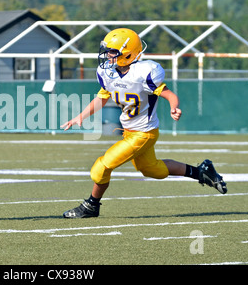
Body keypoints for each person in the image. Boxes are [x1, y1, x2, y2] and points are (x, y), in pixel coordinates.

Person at [61, 28, 227, 218]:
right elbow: (102, 97)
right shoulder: (108, 73)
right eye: (107, 51)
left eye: (113, 52)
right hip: (130, 132)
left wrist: (174, 107)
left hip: (143, 134)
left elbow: (169, 94)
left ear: (129, 53)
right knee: (151, 169)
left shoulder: (143, 72)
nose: (108, 55)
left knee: (102, 166)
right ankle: (201, 172)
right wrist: (81, 116)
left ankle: (91, 206)